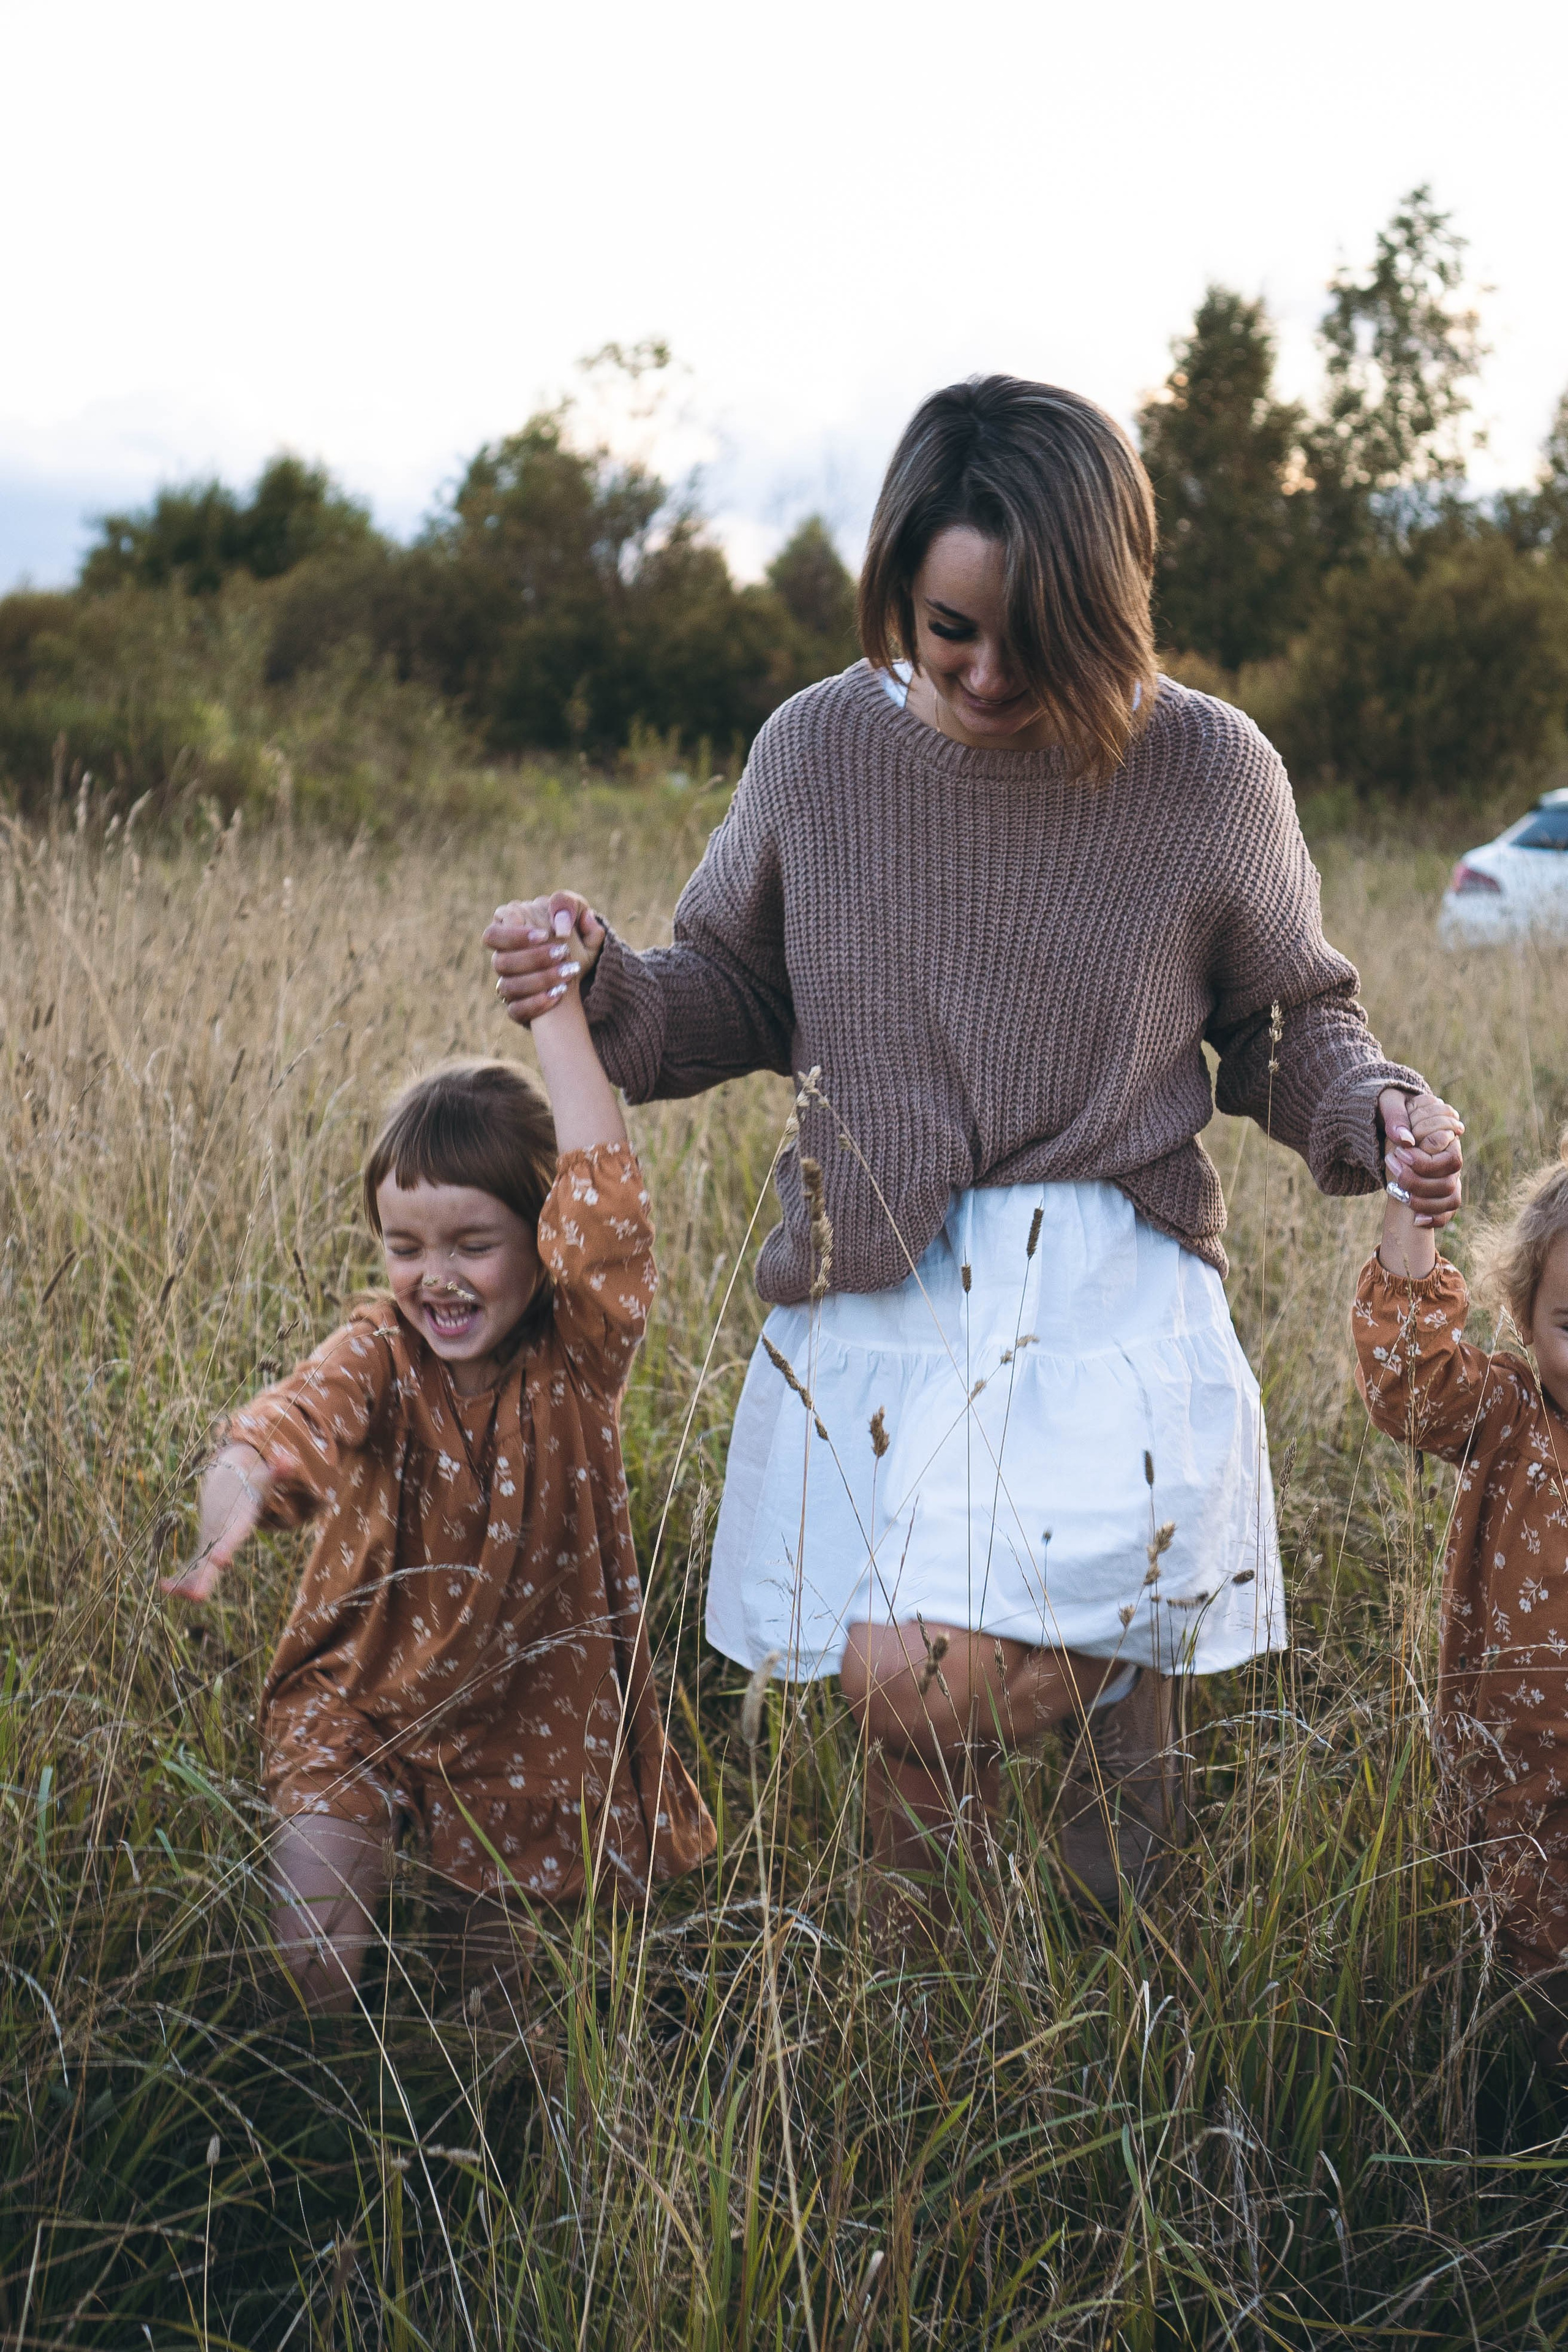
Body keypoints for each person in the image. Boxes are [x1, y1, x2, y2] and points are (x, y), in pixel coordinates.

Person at [484, 374, 1462, 1924]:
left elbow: (1286, 1025)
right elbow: (730, 989)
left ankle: (1136, 2035)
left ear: (1110, 606)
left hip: (1105, 1303)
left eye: (1036, 634)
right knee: (910, 1728)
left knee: (1016, 1743)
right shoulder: (818, 750)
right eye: (948, 628)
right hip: (878, 1290)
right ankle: (924, 2064)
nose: (987, 672)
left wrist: (1378, 1110)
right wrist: (597, 981)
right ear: (896, 588)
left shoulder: (1207, 769)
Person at [162, 981, 714, 2015]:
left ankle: (457, 2141)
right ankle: (317, 2120)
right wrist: (237, 1495)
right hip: (361, 1695)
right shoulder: (378, 1348)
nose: (436, 1278)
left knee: (500, 2022)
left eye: (472, 1244)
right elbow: (286, 1423)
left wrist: (557, 1007)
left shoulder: (579, 1356)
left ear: (544, 1239)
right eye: (405, 1246)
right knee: (312, 1952)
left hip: (530, 1726)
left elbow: (607, 1203)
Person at [1354, 1119, 1568, 2072]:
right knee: (1524, 2004)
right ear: (1523, 1318)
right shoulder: (1511, 1415)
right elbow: (1406, 1379)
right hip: (1517, 1791)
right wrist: (1413, 1196)